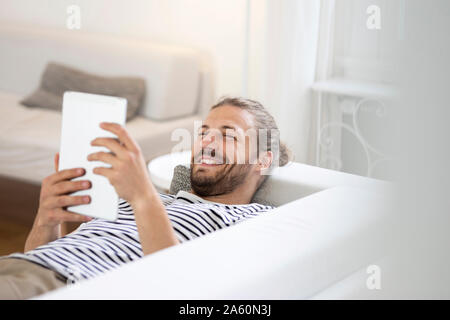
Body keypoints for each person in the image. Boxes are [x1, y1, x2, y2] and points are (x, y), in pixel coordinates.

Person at [0, 97, 291, 299]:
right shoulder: (147, 200)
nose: (207, 143)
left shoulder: (250, 222)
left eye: (228, 135)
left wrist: (142, 197)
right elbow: (40, 256)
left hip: (65, 286)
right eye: (203, 133)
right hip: (18, 267)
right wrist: (47, 218)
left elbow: (180, 289)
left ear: (263, 161)